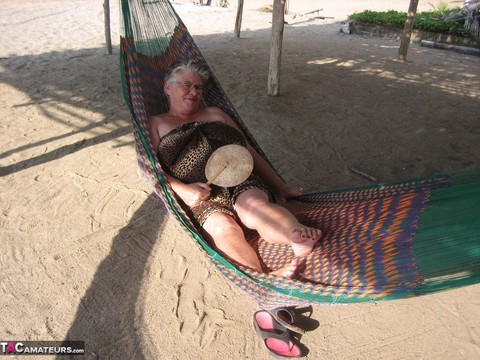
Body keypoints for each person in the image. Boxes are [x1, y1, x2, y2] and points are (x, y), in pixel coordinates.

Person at [149, 60, 322, 277]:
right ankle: (261, 279)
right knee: (223, 227)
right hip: (201, 193)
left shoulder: (216, 113)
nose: (193, 92)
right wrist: (182, 189)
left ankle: (296, 236)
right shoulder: (155, 123)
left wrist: (280, 187)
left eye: (198, 87)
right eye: (186, 85)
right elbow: (147, 167)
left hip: (240, 178)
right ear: (168, 87)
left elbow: (249, 150)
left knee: (255, 207)